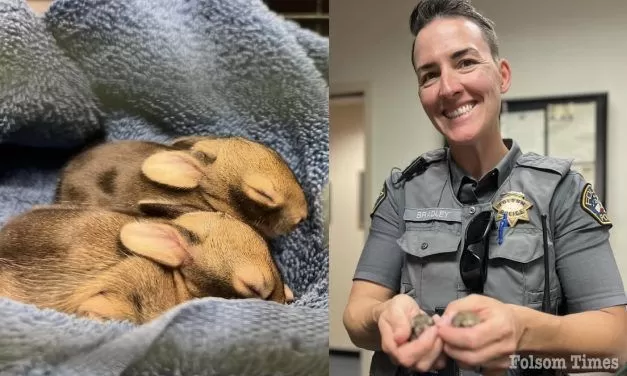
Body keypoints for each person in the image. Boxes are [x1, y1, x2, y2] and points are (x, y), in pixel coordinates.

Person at [342, 1, 627, 375]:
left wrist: (524, 331)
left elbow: (617, 342)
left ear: (502, 75)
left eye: (465, 62)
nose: (447, 87)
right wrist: (383, 315)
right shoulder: (403, 190)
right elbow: (356, 317)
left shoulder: (561, 191)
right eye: (429, 75)